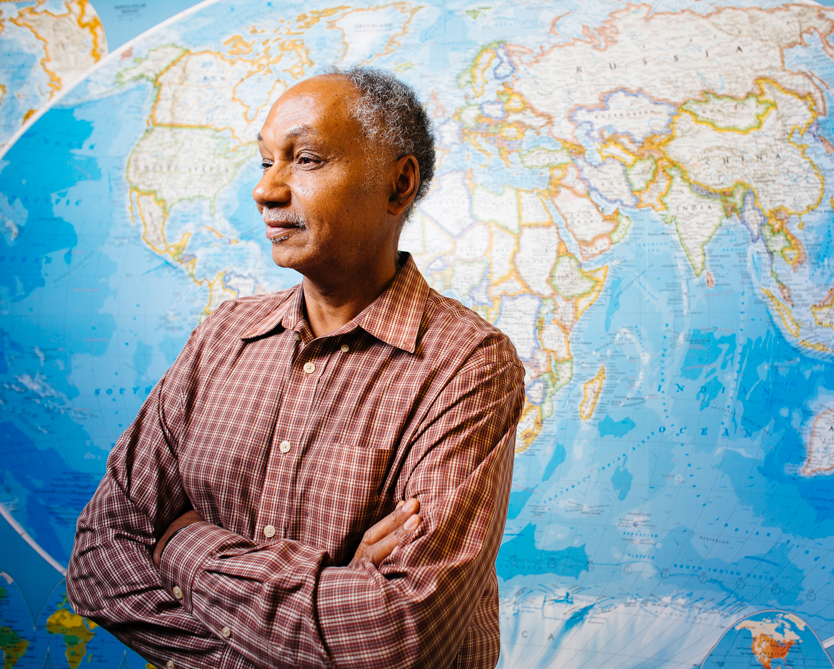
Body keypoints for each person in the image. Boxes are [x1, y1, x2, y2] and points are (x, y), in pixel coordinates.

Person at [66, 67, 525, 669]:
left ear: (398, 183)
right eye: (265, 162)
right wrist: (330, 597)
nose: (267, 191)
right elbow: (101, 555)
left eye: (305, 159)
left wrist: (182, 544)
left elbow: (396, 637)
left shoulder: (467, 364)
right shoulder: (223, 336)